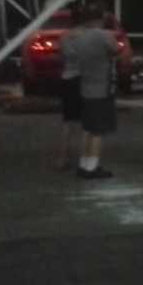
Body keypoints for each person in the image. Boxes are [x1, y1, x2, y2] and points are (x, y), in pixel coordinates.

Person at [72, 2, 119, 180]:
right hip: (101, 87)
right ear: (100, 19)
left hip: (85, 87)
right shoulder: (104, 35)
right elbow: (115, 50)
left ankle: (83, 163)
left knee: (87, 129)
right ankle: (93, 166)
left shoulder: (79, 38)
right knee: (98, 131)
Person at [54, 9, 83, 171]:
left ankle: (62, 158)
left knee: (67, 121)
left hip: (67, 79)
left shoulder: (64, 37)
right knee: (85, 122)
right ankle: (84, 158)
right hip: (83, 79)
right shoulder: (87, 36)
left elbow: (60, 58)